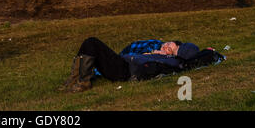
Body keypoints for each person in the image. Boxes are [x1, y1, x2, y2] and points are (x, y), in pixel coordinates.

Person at [60, 37, 199, 93]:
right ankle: (74, 79)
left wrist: (154, 56)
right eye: (168, 45)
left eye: (170, 50)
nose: (166, 48)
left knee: (92, 43)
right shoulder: (155, 48)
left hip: (125, 70)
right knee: (88, 44)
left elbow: (141, 65)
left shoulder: (172, 61)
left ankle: (83, 82)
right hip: (122, 63)